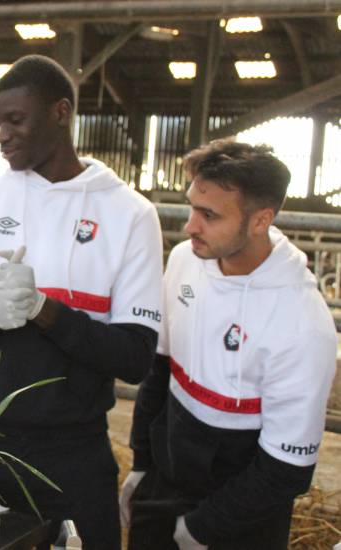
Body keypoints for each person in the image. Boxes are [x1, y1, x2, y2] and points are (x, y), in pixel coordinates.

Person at [0, 54, 164, 548]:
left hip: (72, 452)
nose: (2, 135)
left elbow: (135, 358)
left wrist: (46, 311)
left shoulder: (130, 214)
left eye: (16, 120)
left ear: (61, 113)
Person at [122, 140, 337, 549]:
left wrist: (204, 529)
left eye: (209, 215)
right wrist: (141, 463)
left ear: (261, 221)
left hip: (241, 511)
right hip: (166, 478)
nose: (189, 227)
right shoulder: (187, 259)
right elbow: (161, 369)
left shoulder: (302, 323)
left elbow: (287, 468)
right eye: (191, 207)